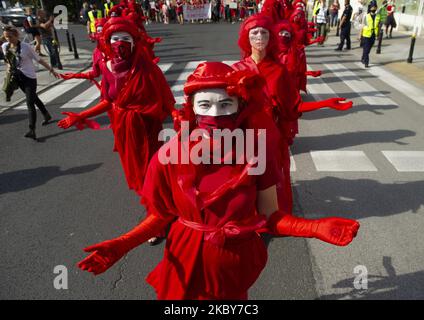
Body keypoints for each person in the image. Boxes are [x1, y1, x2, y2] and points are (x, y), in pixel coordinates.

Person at [77, 61, 360, 300]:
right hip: (185, 259)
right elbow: (162, 215)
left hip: (235, 266)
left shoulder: (256, 153)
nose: (214, 114)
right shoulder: (168, 155)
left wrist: (314, 227)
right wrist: (122, 244)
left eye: (225, 104)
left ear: (239, 106)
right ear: (192, 109)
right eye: (205, 104)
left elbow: (271, 217)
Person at [2, 26, 59, 140]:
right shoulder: (4, 46)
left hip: (29, 78)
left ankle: (31, 129)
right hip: (17, 78)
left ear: (16, 35)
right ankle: (46, 114)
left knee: (29, 102)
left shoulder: (26, 47)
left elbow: (39, 59)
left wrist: (51, 69)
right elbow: (7, 60)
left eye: (10, 36)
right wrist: (8, 68)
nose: (8, 39)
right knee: (33, 98)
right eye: (5, 37)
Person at [361, 2, 380, 67]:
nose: (373, 8)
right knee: (366, 49)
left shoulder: (378, 16)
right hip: (366, 35)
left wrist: (378, 35)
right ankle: (366, 62)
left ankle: (363, 58)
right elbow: (363, 25)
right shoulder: (366, 16)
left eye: (375, 7)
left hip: (373, 35)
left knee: (368, 50)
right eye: (372, 7)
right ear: (370, 8)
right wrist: (360, 34)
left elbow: (378, 26)